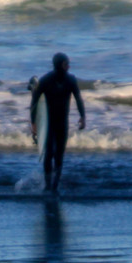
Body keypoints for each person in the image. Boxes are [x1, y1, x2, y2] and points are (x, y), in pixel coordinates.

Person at [30, 52, 86, 193]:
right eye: (66, 64)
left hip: (62, 122)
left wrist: (82, 116)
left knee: (59, 155)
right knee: (49, 154)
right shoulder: (45, 80)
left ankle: (55, 186)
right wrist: (34, 123)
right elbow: (35, 102)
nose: (69, 66)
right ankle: (48, 185)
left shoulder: (71, 80)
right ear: (60, 65)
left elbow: (78, 98)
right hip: (48, 123)